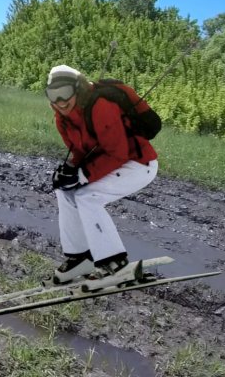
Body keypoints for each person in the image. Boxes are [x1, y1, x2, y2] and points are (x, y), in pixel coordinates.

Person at [45, 65, 158, 290]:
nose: (60, 101)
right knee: (64, 191)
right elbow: (79, 152)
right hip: (110, 163)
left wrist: (82, 175)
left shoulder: (100, 106)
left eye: (65, 92)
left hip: (138, 164)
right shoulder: (62, 119)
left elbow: (118, 152)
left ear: (78, 89)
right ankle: (80, 258)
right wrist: (68, 172)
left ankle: (115, 263)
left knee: (87, 197)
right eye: (52, 94)